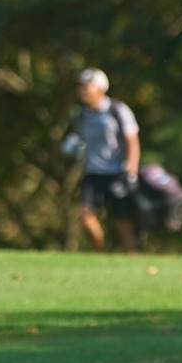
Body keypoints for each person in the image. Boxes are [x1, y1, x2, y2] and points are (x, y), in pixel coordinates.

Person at [70, 68, 142, 254]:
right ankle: (101, 254)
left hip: (117, 173)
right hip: (93, 173)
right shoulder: (81, 115)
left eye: (87, 87)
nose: (82, 91)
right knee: (85, 216)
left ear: (101, 89)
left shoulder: (117, 110)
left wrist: (131, 170)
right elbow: (83, 144)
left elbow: (132, 140)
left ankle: (131, 257)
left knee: (122, 221)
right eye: (81, 87)